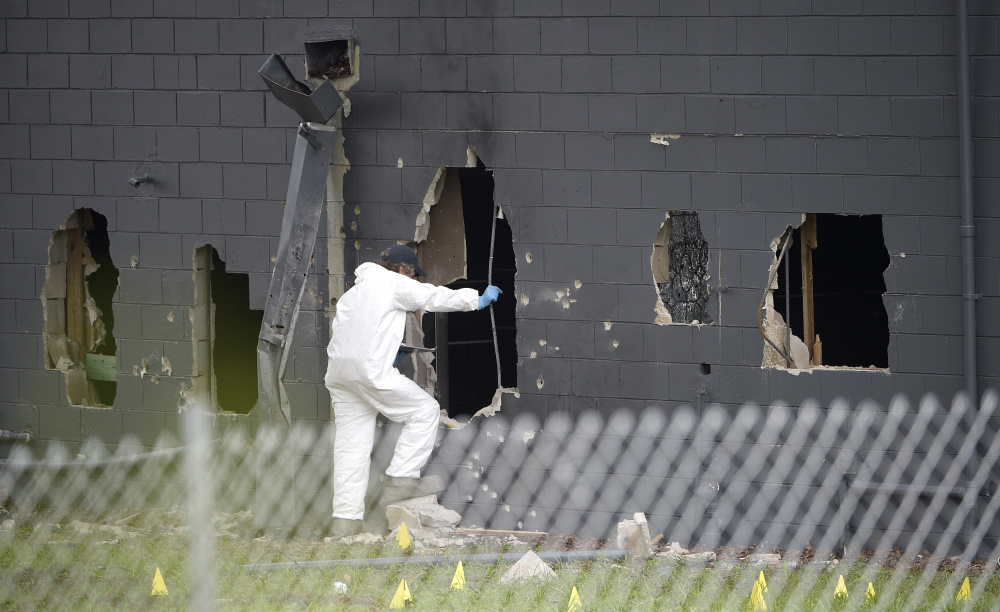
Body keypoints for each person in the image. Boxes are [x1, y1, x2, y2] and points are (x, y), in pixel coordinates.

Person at [324, 244, 502, 537]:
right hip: (370, 373)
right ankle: (401, 480)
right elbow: (431, 296)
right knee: (425, 410)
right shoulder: (393, 282)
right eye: (412, 275)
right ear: (404, 270)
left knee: (350, 447)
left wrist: (389, 353)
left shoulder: (353, 293)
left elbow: (354, 335)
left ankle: (345, 522)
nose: (412, 280)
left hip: (341, 376)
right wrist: (475, 300)